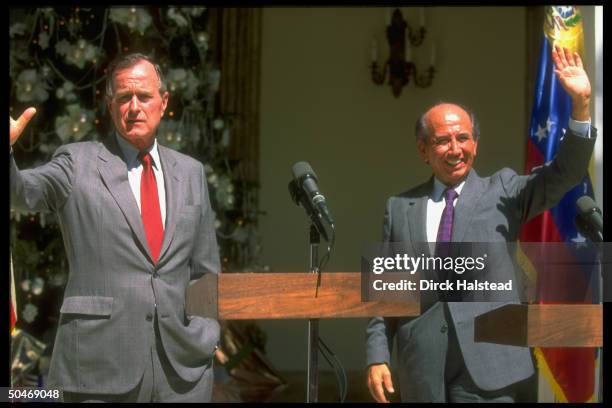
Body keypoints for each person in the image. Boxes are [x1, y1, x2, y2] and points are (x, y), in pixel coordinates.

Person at [365, 45, 596, 402]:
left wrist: (581, 106)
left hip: (492, 364)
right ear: (423, 150)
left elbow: (564, 174)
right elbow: (386, 294)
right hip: (423, 368)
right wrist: (377, 355)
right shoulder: (399, 208)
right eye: (442, 140)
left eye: (463, 138)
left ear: (475, 143)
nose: (455, 148)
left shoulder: (503, 189)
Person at [10, 53, 221, 402]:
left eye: (144, 97)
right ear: (110, 106)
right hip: (99, 370)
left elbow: (204, 271)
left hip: (182, 375)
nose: (134, 107)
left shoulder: (191, 172)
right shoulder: (76, 163)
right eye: (124, 97)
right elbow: (22, 192)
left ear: (164, 102)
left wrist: (205, 334)